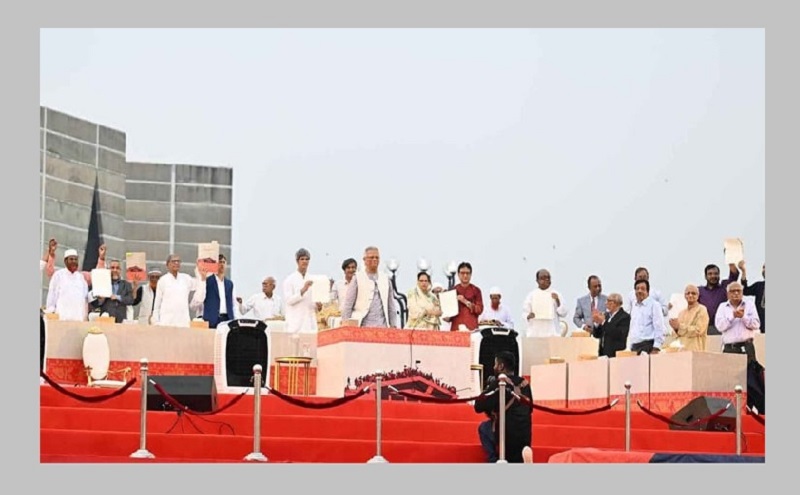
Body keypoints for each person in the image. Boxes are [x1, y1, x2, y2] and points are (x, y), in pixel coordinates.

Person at [473, 350, 532, 463]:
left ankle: (494, 460)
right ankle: (525, 456)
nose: (493, 367)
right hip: (524, 437)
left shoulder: (499, 383)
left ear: (501, 366)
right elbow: (529, 409)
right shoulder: (525, 384)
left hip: (505, 435)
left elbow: (478, 407)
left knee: (483, 427)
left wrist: (487, 389)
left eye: (495, 364)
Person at [341, 246, 399, 328]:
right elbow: (348, 305)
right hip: (362, 326)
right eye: (371, 257)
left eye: (377, 257)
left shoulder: (385, 279)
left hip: (382, 326)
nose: (374, 260)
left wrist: (393, 325)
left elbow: (391, 306)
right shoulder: (357, 278)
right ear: (364, 260)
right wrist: (346, 326)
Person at [715, 282, 761, 362]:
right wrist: (732, 317)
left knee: (749, 369)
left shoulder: (749, 305)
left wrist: (743, 317)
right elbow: (720, 327)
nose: (736, 293)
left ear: (742, 293)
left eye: (738, 291)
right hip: (730, 348)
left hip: (747, 347)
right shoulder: (722, 306)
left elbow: (756, 324)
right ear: (728, 294)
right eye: (733, 291)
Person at [152, 254, 200, 328]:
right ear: (167, 264)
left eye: (178, 261)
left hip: (183, 322)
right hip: (166, 322)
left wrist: (199, 268)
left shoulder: (186, 278)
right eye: (174, 261)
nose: (176, 263)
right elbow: (157, 304)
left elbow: (199, 284)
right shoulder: (162, 280)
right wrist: (156, 321)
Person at [191, 253, 238, 329]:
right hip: (211, 320)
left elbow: (234, 304)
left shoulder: (230, 284)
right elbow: (196, 304)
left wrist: (236, 320)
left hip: (227, 320)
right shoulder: (207, 281)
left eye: (223, 262)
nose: (221, 264)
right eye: (219, 262)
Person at [44, 249, 91, 321]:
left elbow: (85, 298)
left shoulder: (81, 278)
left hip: (78, 319)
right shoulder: (58, 275)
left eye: (75, 259)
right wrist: (51, 313)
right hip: (62, 318)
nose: (74, 261)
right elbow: (52, 296)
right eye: (71, 259)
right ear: (65, 261)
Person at [282, 248, 322, 334]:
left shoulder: (312, 279)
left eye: (307, 259)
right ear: (297, 261)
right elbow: (289, 300)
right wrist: (303, 290)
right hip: (295, 324)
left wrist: (318, 306)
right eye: (302, 259)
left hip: (310, 324)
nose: (305, 261)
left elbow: (312, 303)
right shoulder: (289, 280)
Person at [522, 269, 568, 337]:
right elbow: (525, 313)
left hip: (552, 333)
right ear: (537, 280)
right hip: (535, 333)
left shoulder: (556, 294)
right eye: (543, 278)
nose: (546, 280)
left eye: (548, 278)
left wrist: (557, 301)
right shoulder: (531, 295)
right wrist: (528, 316)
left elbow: (564, 313)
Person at [698, 262, 740, 335]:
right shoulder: (699, 290)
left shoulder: (724, 287)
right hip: (704, 328)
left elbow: (734, 274)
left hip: (721, 327)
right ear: (705, 276)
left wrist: (730, 258)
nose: (713, 276)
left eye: (716, 273)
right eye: (710, 274)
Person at [89, 258, 134, 323]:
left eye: (117, 268)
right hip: (105, 320)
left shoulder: (127, 284)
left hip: (121, 320)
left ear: (120, 270)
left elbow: (130, 300)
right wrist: (101, 300)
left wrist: (117, 297)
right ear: (108, 269)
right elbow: (94, 304)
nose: (115, 270)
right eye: (112, 268)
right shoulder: (102, 283)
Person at [627, 279, 665, 354]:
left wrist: (656, 347)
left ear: (647, 292)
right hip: (634, 347)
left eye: (642, 289)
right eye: (637, 289)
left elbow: (659, 327)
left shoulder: (654, 305)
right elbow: (633, 327)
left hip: (648, 345)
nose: (639, 291)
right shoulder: (634, 306)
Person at [443, 262, 483, 331]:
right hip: (456, 328)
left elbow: (479, 309)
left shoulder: (476, 290)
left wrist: (465, 301)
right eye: (462, 273)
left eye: (467, 273)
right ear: (458, 274)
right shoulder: (453, 291)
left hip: (472, 328)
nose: (465, 275)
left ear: (471, 274)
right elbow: (448, 317)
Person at [668, 284, 709, 351]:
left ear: (698, 296)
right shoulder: (681, 313)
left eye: (693, 293)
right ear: (685, 296)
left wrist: (679, 327)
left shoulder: (702, 310)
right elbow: (675, 334)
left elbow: (698, 330)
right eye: (688, 293)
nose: (690, 295)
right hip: (681, 352)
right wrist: (675, 328)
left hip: (696, 351)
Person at [591, 292, 630, 358]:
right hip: (603, 353)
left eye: (608, 301)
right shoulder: (606, 315)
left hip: (616, 354)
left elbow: (619, 334)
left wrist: (603, 322)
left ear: (616, 303)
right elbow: (597, 335)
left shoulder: (624, 317)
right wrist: (597, 323)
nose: (606, 303)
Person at [740, 260, 765, 333]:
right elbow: (745, 291)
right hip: (761, 326)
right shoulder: (759, 285)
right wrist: (743, 271)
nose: (764, 270)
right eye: (763, 267)